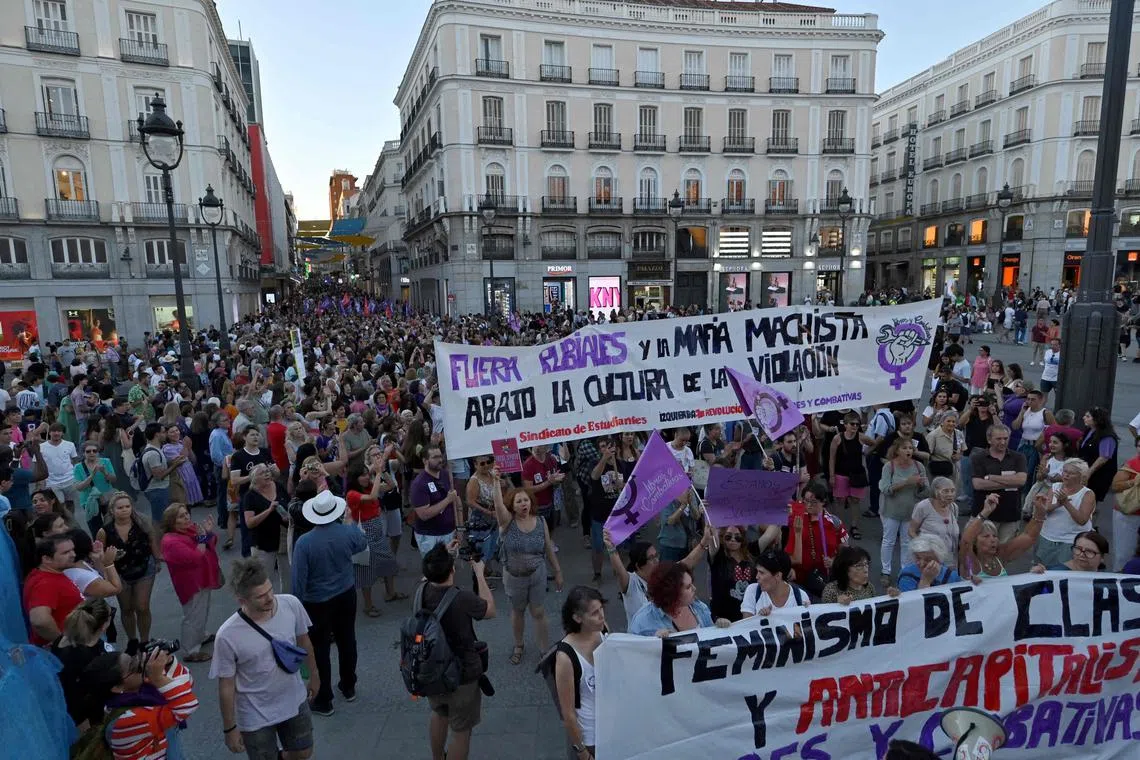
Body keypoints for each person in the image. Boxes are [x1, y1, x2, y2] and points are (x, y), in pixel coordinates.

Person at [210, 558, 318, 760]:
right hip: (255, 714)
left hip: (293, 700)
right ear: (242, 600)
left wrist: (314, 676)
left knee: (303, 751)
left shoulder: (290, 604)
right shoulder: (227, 635)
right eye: (260, 596)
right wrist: (230, 728)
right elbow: (226, 685)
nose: (269, 598)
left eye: (270, 590)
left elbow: (305, 642)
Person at [291, 488, 366, 716]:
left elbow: (298, 581)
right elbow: (361, 544)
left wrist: (296, 609)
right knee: (347, 640)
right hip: (345, 593)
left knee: (319, 649)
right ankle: (349, 685)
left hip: (317, 602)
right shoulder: (346, 532)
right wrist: (351, 523)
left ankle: (324, 698)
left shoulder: (304, 543)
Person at [419, 542, 496, 760]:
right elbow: (490, 610)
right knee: (462, 730)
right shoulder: (461, 598)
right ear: (452, 569)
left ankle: (437, 757)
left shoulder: (421, 591)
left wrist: (444, 555)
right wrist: (479, 574)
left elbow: (431, 574)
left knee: (439, 713)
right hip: (462, 673)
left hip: (431, 669)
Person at [490, 471, 563, 665]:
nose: (524, 504)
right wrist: (497, 482)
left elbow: (548, 547)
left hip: (537, 574)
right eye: (519, 501)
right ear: (512, 507)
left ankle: (544, 649)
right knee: (518, 611)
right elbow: (498, 505)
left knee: (538, 612)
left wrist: (557, 571)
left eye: (526, 500)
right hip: (514, 577)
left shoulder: (540, 522)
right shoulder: (507, 523)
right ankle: (519, 645)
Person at [84, 649, 200, 760]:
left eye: (134, 658)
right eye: (133, 666)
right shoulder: (126, 720)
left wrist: (168, 662)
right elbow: (187, 704)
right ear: (117, 687)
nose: (140, 664)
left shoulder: (143, 692)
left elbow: (187, 683)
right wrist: (159, 678)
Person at [96, 491, 160, 653]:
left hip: (144, 567)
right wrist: (105, 569)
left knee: (142, 606)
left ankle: (145, 641)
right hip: (119, 572)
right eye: (120, 507)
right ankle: (132, 639)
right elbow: (99, 552)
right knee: (127, 608)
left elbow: (152, 540)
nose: (124, 510)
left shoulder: (142, 524)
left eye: (127, 506)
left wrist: (157, 558)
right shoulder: (104, 531)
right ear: (112, 510)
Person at [159, 503, 220, 663]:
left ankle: (200, 635)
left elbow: (211, 542)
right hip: (191, 583)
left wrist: (206, 533)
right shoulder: (170, 541)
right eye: (181, 516)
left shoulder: (189, 529)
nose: (187, 518)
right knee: (193, 615)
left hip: (202, 578)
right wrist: (202, 537)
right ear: (172, 521)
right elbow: (195, 557)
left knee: (201, 611)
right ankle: (190, 650)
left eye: (186, 514)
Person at [552, 586, 606, 760]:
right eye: (594, 613)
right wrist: (581, 751)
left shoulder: (602, 630)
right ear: (577, 618)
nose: (601, 616)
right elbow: (568, 713)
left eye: (601, 609)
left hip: (611, 727)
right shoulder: (565, 657)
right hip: (591, 737)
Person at [345, 458, 403, 615]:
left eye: (366, 474)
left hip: (377, 529)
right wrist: (376, 473)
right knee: (366, 569)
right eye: (362, 475)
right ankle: (368, 606)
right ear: (354, 478)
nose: (365, 477)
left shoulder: (371, 485)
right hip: (364, 532)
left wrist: (382, 471)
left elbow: (391, 485)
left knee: (388, 561)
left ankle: (390, 593)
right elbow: (372, 497)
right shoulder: (352, 494)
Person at [51, 598, 115, 728]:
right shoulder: (93, 656)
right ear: (103, 625)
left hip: (63, 704)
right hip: (84, 715)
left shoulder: (63, 640)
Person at [785, 478, 849, 598]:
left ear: (823, 501)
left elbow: (846, 554)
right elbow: (777, 503)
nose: (808, 505)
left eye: (813, 502)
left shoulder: (834, 523)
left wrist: (834, 561)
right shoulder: (797, 516)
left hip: (824, 580)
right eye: (806, 501)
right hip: (797, 577)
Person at [628, 561, 728, 636]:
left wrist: (719, 626)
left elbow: (713, 639)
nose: (694, 588)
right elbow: (631, 653)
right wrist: (652, 643)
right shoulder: (642, 621)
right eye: (688, 587)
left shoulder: (699, 607)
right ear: (671, 593)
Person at [961, 492, 1045, 579]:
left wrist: (1040, 513)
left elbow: (1029, 536)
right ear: (974, 541)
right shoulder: (967, 559)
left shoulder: (1001, 555)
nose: (993, 540)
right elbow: (966, 541)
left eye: (994, 536)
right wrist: (985, 512)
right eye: (986, 536)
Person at [878, 438, 927, 588]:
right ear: (897, 450)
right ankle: (885, 571)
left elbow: (925, 492)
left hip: (910, 512)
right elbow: (885, 489)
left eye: (911, 448)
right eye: (905, 448)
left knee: (907, 542)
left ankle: (904, 571)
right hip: (891, 511)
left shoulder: (919, 466)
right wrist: (907, 482)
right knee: (889, 541)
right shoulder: (889, 466)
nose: (909, 451)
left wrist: (921, 486)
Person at [969, 423, 1027, 542]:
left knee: (1004, 554)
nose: (1003, 442)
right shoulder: (978, 458)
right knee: (981, 552)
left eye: (1005, 438)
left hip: (1010, 515)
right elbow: (978, 484)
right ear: (989, 439)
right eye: (998, 439)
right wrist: (1011, 482)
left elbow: (1021, 480)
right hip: (985, 515)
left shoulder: (1018, 457)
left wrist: (991, 477)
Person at [1033, 458, 1095, 567]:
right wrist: (1054, 505)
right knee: (1042, 571)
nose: (1066, 475)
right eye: (1065, 471)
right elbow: (1046, 508)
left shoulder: (1087, 494)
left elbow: (1082, 520)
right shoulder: (1055, 487)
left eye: (1071, 473)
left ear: (1081, 476)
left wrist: (1066, 503)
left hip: (1070, 542)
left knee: (1064, 574)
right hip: (1047, 537)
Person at [23, 533, 81, 645]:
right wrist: (62, 644)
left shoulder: (50, 574)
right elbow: (40, 620)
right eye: (66, 552)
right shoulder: (45, 583)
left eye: (72, 550)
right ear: (47, 559)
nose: (73, 554)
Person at [242, 463, 287, 590]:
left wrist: (287, 516)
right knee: (264, 580)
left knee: (288, 576)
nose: (267, 474)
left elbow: (288, 502)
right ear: (254, 479)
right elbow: (249, 523)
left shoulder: (278, 486)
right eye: (262, 473)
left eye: (267, 471)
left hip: (282, 539)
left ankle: (286, 603)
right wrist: (269, 510)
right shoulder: (250, 496)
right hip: (262, 543)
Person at [829, 413, 872, 539]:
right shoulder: (837, 438)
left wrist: (868, 452)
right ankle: (839, 526)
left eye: (857, 424)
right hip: (840, 473)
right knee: (840, 500)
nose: (855, 426)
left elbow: (874, 443)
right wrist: (831, 476)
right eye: (852, 424)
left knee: (855, 501)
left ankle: (854, 526)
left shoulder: (861, 437)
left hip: (857, 474)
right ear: (845, 424)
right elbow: (832, 459)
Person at [410, 446, 459, 556]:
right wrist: (447, 500)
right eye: (435, 457)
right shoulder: (419, 484)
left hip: (450, 532)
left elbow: (457, 502)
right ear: (425, 461)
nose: (440, 460)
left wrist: (459, 528)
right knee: (434, 569)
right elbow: (424, 514)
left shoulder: (446, 475)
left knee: (449, 567)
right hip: (431, 536)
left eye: (440, 456)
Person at [602, 532, 657, 627]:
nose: (657, 560)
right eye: (651, 558)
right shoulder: (632, 583)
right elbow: (619, 571)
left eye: (656, 556)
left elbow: (685, 563)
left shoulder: (662, 577)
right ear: (639, 565)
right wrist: (611, 548)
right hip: (639, 638)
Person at [740, 548, 810, 617]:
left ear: (778, 575)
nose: (757, 577)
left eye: (761, 573)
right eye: (757, 571)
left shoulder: (800, 596)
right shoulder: (753, 591)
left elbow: (805, 626)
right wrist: (759, 619)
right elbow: (746, 626)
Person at [1078, 406, 1118, 511]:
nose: (1083, 418)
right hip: (1085, 470)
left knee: (1090, 501)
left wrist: (1089, 473)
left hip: (1098, 475)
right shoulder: (1089, 431)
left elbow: (1103, 457)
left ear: (1097, 419)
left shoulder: (1107, 436)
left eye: (1087, 416)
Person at [141, 422, 182, 523]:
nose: (166, 434)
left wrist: (172, 462)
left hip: (159, 489)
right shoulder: (152, 453)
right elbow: (159, 475)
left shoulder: (156, 449)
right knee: (160, 521)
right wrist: (175, 465)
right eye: (163, 432)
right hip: (157, 490)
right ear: (157, 434)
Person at [72, 441, 115, 536]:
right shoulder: (78, 467)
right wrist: (92, 475)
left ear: (98, 452)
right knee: (96, 530)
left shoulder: (106, 461)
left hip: (106, 499)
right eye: (88, 451)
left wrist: (105, 472)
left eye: (94, 451)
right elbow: (79, 487)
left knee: (112, 527)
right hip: (89, 501)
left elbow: (114, 479)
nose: (92, 453)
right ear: (83, 453)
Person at [896, 535, 962, 591]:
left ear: (939, 559)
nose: (921, 564)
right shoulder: (907, 576)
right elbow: (912, 604)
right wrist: (925, 581)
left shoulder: (952, 576)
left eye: (928, 559)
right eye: (918, 558)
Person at [521, 444, 565, 527]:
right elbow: (528, 490)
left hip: (552, 504)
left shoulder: (552, 460)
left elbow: (554, 480)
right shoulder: (528, 465)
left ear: (547, 447)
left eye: (540, 445)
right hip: (537, 507)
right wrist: (548, 482)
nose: (537, 448)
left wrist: (558, 480)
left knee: (551, 529)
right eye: (535, 444)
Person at [1111, 453, 1140, 571]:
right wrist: (1134, 482)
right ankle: (1119, 582)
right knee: (1124, 553)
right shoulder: (1132, 464)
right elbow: (1115, 486)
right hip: (1129, 515)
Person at [1031, 530, 1109, 573]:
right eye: (1078, 549)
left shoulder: (1108, 579)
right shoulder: (1055, 572)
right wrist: (1038, 576)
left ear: (1102, 557)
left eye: (1089, 551)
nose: (1082, 554)